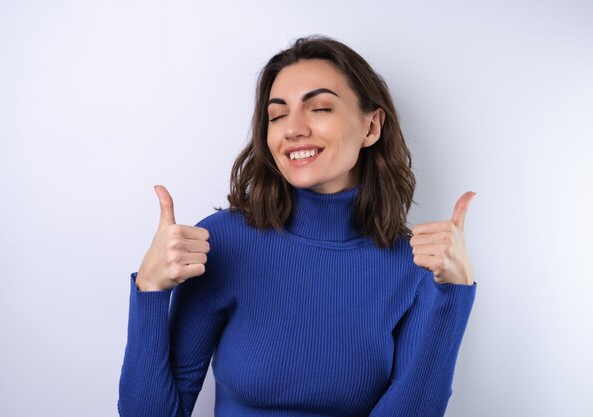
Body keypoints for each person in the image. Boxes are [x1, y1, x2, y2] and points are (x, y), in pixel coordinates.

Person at [118, 35, 477, 417]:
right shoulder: (223, 242)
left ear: (371, 126)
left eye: (319, 108)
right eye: (277, 115)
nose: (293, 128)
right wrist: (150, 289)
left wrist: (453, 296)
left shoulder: (414, 263)